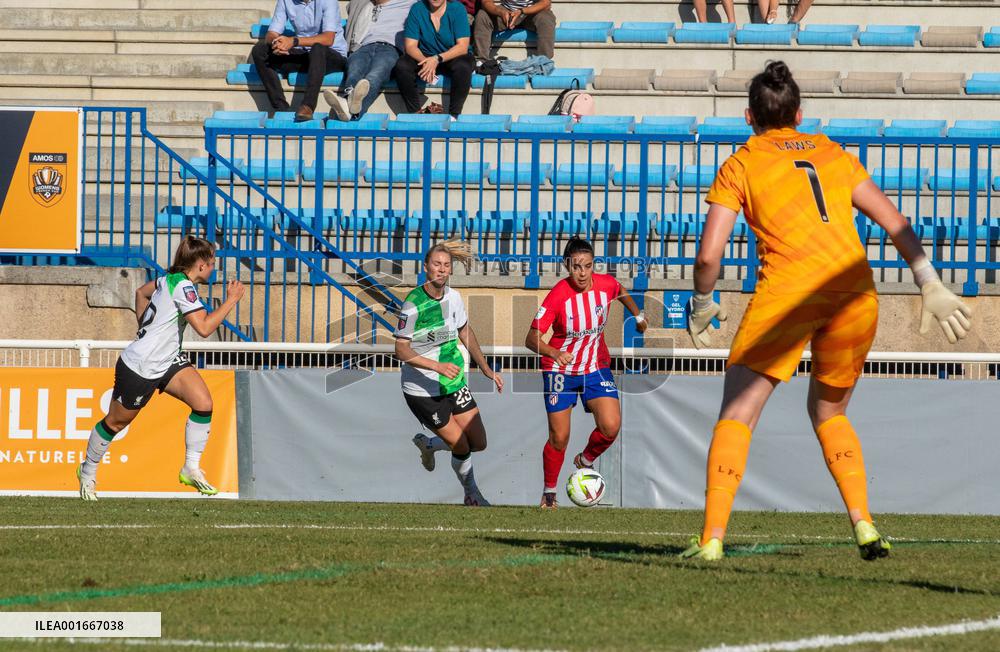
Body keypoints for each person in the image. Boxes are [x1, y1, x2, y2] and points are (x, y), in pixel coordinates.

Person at [680, 61, 973, 561]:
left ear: (748, 117)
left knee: (738, 414)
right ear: (799, 112)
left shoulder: (742, 162)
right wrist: (928, 282)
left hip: (790, 295)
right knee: (830, 412)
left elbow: (709, 255)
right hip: (854, 294)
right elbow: (895, 221)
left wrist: (703, 302)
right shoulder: (832, 153)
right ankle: (864, 525)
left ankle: (711, 539)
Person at [77, 236, 246, 501]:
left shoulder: (169, 279)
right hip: (141, 366)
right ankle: (87, 471)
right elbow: (203, 328)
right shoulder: (184, 288)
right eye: (212, 263)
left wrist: (144, 325)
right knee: (116, 422)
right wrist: (232, 300)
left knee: (203, 403)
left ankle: (191, 468)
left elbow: (140, 293)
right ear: (201, 265)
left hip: (168, 360)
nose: (214, 268)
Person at [525, 238, 647, 509]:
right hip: (560, 370)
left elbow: (621, 290)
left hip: (595, 366)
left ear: (594, 266)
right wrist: (554, 353)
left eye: (588, 266)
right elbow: (531, 338)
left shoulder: (605, 284)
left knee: (611, 425)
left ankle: (585, 461)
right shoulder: (558, 295)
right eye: (576, 266)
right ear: (566, 265)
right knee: (560, 437)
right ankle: (549, 494)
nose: (582, 273)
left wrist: (638, 316)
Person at [396, 241, 503, 506]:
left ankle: (430, 445)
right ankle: (472, 494)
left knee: (478, 442)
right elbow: (400, 350)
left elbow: (465, 331)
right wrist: (436, 366)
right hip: (423, 391)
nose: (441, 270)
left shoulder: (454, 297)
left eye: (446, 265)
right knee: (462, 446)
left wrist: (486, 368)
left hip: (453, 382)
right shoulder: (413, 305)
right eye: (436, 265)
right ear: (425, 267)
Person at [251, 0, 349, 121]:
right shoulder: (285, 1)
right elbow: (271, 33)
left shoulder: (329, 1)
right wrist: (276, 44)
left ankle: (307, 106)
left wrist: (293, 41)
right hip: (305, 54)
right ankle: (281, 108)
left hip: (332, 55)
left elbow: (328, 39)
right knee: (260, 50)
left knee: (318, 48)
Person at [324, 0, 417, 121]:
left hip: (390, 48)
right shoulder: (365, 3)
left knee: (374, 77)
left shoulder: (412, 3)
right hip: (363, 46)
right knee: (354, 73)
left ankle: (351, 112)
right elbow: (351, 8)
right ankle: (349, 106)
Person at [393, 0, 476, 117]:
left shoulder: (457, 9)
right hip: (425, 56)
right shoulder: (417, 9)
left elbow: (462, 47)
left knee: (463, 66)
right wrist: (426, 62)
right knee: (402, 65)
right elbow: (410, 46)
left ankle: (454, 116)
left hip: (453, 55)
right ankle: (415, 113)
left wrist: (436, 59)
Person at [473, 0, 556, 61]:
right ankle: (481, 62)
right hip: (506, 10)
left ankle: (544, 63)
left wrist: (522, 11)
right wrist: (501, 12)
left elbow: (546, 3)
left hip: (531, 11)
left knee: (546, 18)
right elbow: (486, 2)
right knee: (482, 16)